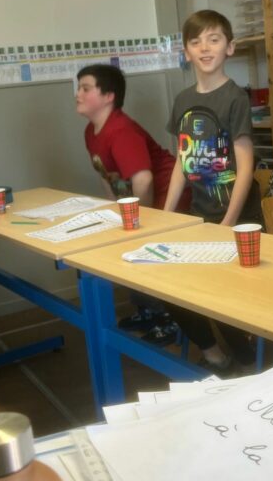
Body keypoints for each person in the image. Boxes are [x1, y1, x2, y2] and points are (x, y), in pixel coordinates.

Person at [163, 9, 263, 373]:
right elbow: (183, 160)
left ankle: (247, 363)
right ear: (186, 51)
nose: (205, 47)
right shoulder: (182, 100)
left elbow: (245, 166)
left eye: (214, 39)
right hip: (200, 217)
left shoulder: (235, 98)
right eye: (196, 41)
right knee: (167, 286)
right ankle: (213, 353)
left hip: (239, 219)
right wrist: (166, 213)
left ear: (229, 48)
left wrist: (229, 223)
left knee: (223, 299)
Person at [76, 64, 189, 345]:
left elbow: (144, 179)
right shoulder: (91, 131)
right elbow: (106, 174)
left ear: (108, 96)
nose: (78, 94)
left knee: (153, 255)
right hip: (142, 199)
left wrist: (140, 220)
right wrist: (115, 212)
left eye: (85, 88)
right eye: (79, 88)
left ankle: (172, 319)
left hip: (167, 196)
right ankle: (149, 310)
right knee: (130, 250)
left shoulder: (121, 130)